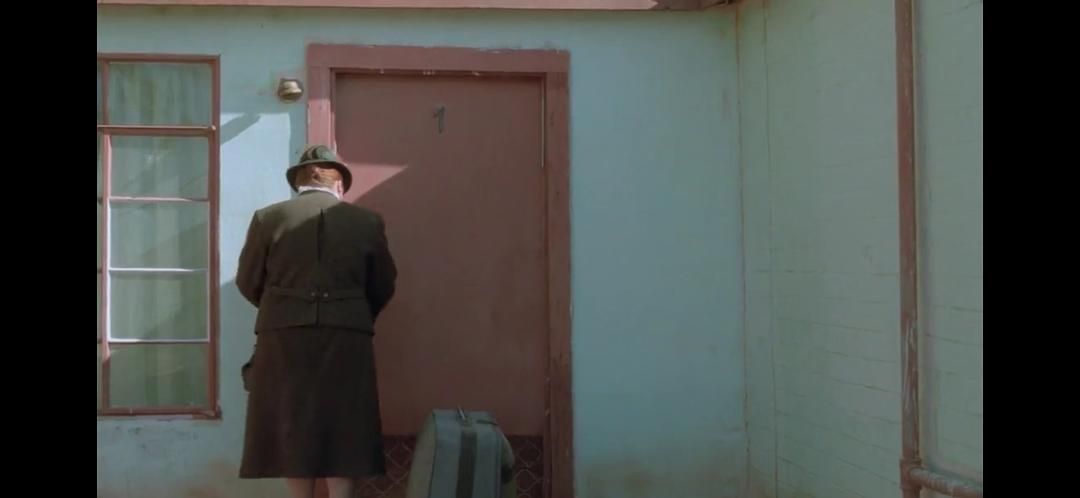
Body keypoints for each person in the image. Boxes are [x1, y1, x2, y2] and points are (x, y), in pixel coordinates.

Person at [236, 145, 397, 498]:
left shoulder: (267, 218)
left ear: (298, 183)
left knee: (292, 427)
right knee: (346, 428)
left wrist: (284, 309)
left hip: (284, 337)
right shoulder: (367, 222)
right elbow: (383, 283)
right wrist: (353, 313)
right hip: (347, 336)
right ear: (339, 185)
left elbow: (248, 281)